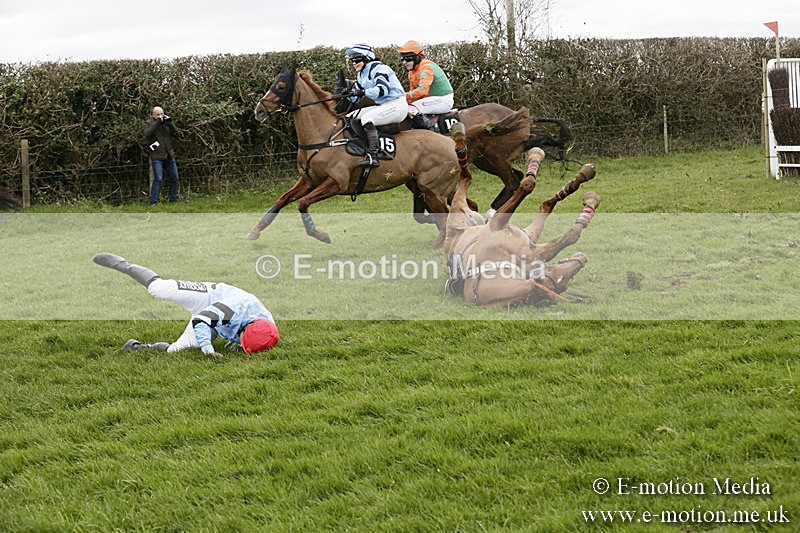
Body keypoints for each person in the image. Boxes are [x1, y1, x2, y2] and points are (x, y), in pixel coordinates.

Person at [92, 253, 279, 357]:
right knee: (159, 289)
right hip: (208, 297)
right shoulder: (233, 309)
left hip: (216, 321)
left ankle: (137, 347)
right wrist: (208, 349)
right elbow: (201, 320)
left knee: (177, 351)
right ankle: (123, 264)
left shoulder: (268, 329)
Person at [342, 44, 408, 167]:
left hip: (397, 105)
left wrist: (361, 92)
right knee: (350, 117)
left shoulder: (380, 69)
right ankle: (361, 149)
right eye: (352, 61)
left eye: (356, 60)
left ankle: (373, 155)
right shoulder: (361, 74)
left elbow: (382, 90)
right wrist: (348, 94)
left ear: (367, 58)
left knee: (367, 119)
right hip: (383, 105)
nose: (354, 63)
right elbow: (357, 98)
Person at [397, 40, 454, 129]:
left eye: (407, 59)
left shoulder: (426, 68)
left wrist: (400, 96)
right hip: (430, 100)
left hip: (443, 100)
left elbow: (422, 91)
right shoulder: (412, 71)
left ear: (417, 57)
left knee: (411, 109)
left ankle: (425, 130)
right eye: (402, 59)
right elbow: (413, 95)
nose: (404, 62)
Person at [143, 106, 180, 205]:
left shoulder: (166, 123)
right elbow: (147, 134)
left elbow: (178, 134)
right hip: (157, 156)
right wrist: (157, 122)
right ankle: (153, 202)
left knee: (174, 177)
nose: (160, 116)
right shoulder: (149, 123)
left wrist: (170, 124)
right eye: (158, 114)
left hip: (169, 154)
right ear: (153, 115)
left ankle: (173, 200)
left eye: (162, 114)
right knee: (158, 178)